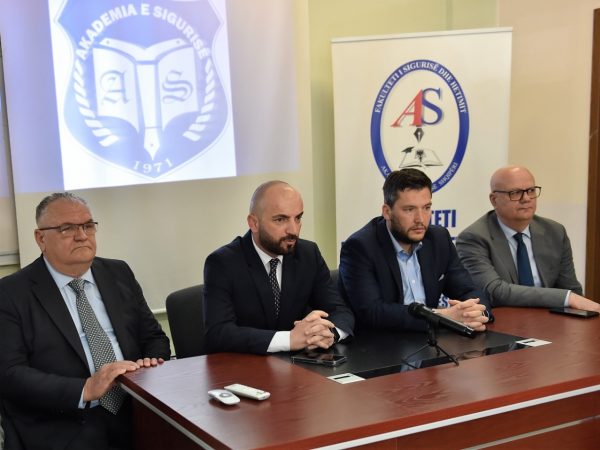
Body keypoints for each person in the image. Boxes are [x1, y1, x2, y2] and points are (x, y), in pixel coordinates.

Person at [0, 193, 170, 450]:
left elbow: (154, 338)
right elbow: (10, 374)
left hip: (134, 407)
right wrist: (86, 388)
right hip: (62, 422)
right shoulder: (11, 292)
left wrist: (149, 365)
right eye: (67, 228)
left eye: (88, 226)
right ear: (40, 238)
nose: (81, 236)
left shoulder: (118, 272)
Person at [203, 180, 355, 354]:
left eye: (298, 218)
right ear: (254, 223)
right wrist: (289, 339)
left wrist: (329, 334)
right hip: (245, 365)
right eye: (280, 219)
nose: (293, 230)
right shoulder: (222, 263)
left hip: (299, 365)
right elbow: (218, 334)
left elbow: (339, 311)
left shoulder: (308, 254)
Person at [339, 168, 491, 332]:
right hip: (382, 342)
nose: (420, 219)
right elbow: (372, 312)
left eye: (426, 208)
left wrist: (477, 313)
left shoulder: (438, 239)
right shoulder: (360, 247)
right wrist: (442, 316)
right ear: (387, 212)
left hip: (431, 338)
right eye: (409, 209)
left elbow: (468, 289)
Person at [456, 165, 599, 311]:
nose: (526, 198)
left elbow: (571, 289)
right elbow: (494, 292)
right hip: (503, 320)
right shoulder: (474, 238)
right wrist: (566, 298)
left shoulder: (555, 232)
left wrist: (572, 300)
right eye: (515, 193)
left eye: (531, 191)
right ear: (494, 200)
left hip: (550, 320)